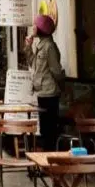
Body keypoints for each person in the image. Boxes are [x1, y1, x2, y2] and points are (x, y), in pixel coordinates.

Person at [30, 13, 65, 151]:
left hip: (50, 92)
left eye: (35, 25)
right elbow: (32, 63)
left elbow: (56, 70)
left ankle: (50, 154)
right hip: (42, 91)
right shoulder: (40, 45)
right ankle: (47, 154)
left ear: (41, 29)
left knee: (49, 128)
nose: (33, 27)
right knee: (44, 128)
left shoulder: (49, 47)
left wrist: (62, 86)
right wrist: (28, 46)